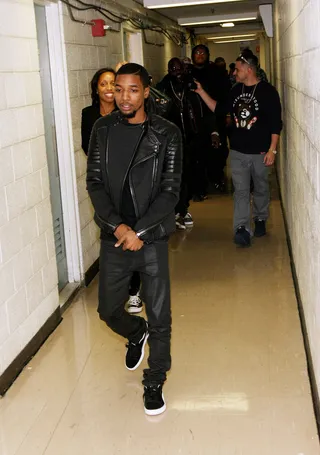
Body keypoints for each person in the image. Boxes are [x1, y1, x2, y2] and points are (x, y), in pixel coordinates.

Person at [86, 63, 182, 415]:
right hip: (115, 237)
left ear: (146, 91)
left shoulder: (166, 133)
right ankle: (134, 330)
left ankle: (155, 379)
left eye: (132, 90)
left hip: (152, 238)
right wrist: (119, 228)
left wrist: (139, 231)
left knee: (160, 315)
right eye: (118, 89)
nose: (123, 97)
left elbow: (170, 192)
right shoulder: (102, 129)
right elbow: (94, 183)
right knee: (108, 310)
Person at [81, 68, 143, 314]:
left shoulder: (127, 112)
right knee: (111, 233)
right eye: (104, 84)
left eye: (113, 84)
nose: (108, 88)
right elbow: (89, 149)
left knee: (132, 231)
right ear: (96, 88)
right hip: (104, 186)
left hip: (130, 185)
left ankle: (134, 291)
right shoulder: (89, 115)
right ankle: (119, 285)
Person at [229, 49, 282, 247]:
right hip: (237, 151)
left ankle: (260, 218)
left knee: (260, 187)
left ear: (248, 69)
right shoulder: (236, 91)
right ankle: (241, 228)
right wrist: (201, 92)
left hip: (261, 151)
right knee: (241, 191)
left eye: (237, 69)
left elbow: (276, 123)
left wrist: (272, 149)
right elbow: (220, 108)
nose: (235, 72)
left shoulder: (268, 92)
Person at [157, 57, 219, 227]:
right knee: (176, 177)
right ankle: (180, 211)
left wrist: (214, 131)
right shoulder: (163, 89)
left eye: (179, 69)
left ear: (184, 70)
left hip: (194, 139)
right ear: (169, 72)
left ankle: (184, 208)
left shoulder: (193, 87)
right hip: (172, 142)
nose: (176, 73)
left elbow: (207, 111)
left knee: (190, 175)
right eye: (173, 70)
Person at [191, 45, 230, 194]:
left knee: (218, 151)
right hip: (196, 120)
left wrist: (227, 114)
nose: (200, 55)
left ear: (207, 55)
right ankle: (201, 184)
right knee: (199, 153)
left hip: (216, 116)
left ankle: (217, 177)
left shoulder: (217, 73)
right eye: (197, 53)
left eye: (202, 53)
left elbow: (226, 95)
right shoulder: (189, 73)